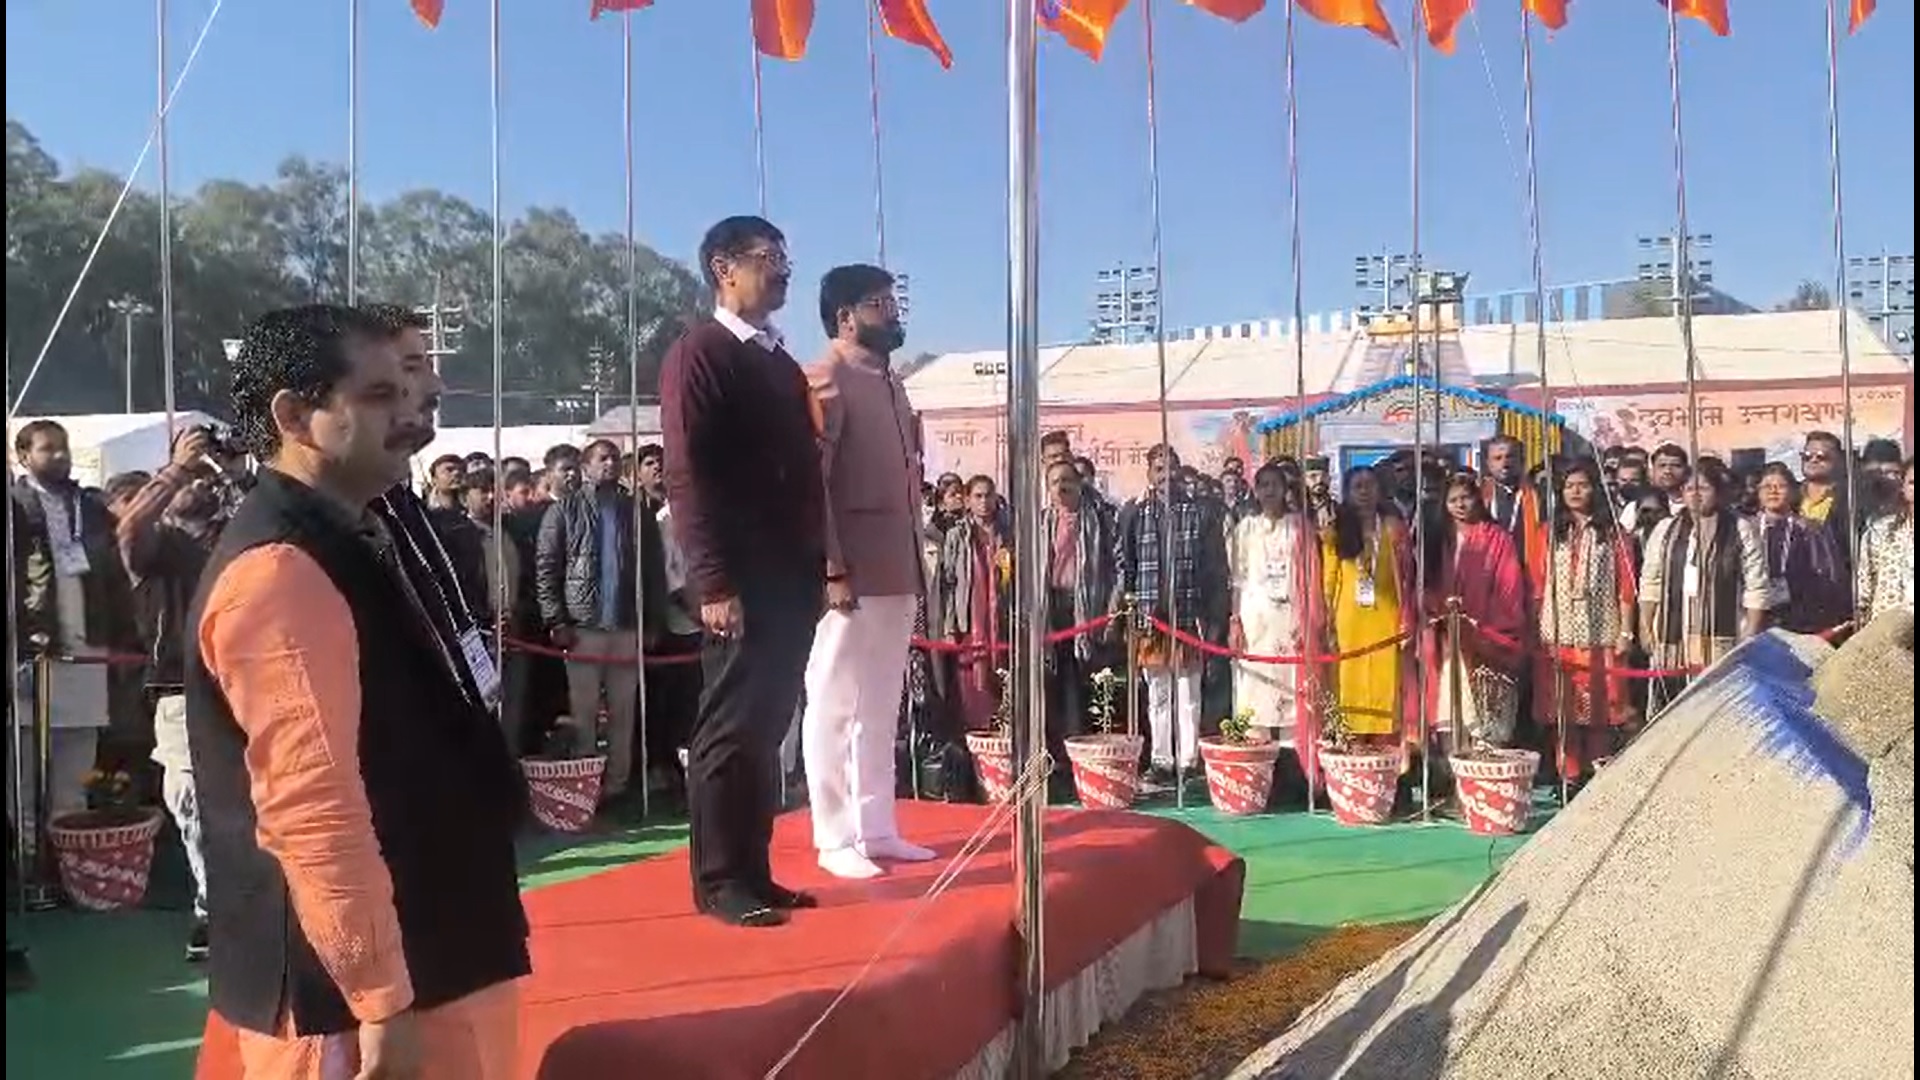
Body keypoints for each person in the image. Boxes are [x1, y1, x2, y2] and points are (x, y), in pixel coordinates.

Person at [188, 305, 527, 1077]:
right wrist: (381, 1000)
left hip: (437, 952)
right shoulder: (280, 571)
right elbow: (315, 810)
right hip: (356, 1001)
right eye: (378, 395)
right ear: (295, 415)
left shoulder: (354, 530)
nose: (410, 409)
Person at [660, 215, 825, 928]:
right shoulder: (701, 354)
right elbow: (687, 474)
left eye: (786, 257)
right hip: (740, 581)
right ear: (724, 269)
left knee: (766, 728)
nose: (783, 270)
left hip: (790, 580)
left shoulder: (781, 363)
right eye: (769, 258)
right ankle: (719, 880)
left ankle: (756, 870)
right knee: (727, 729)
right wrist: (714, 582)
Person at [799, 264, 935, 880]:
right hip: (849, 570)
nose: (893, 311)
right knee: (833, 701)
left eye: (892, 300)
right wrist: (832, 568)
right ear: (847, 316)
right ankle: (833, 835)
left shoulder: (889, 381)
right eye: (879, 303)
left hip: (897, 562)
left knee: (881, 703)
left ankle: (876, 827)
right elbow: (812, 486)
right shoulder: (826, 377)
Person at [535, 438, 663, 804]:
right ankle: (584, 787)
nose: (609, 465)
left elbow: (652, 572)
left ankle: (618, 786)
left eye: (613, 460)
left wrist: (651, 621)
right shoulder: (565, 511)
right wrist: (555, 618)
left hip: (625, 625)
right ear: (587, 466)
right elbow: (547, 568)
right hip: (582, 627)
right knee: (585, 713)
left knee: (624, 711)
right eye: (601, 459)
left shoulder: (635, 512)